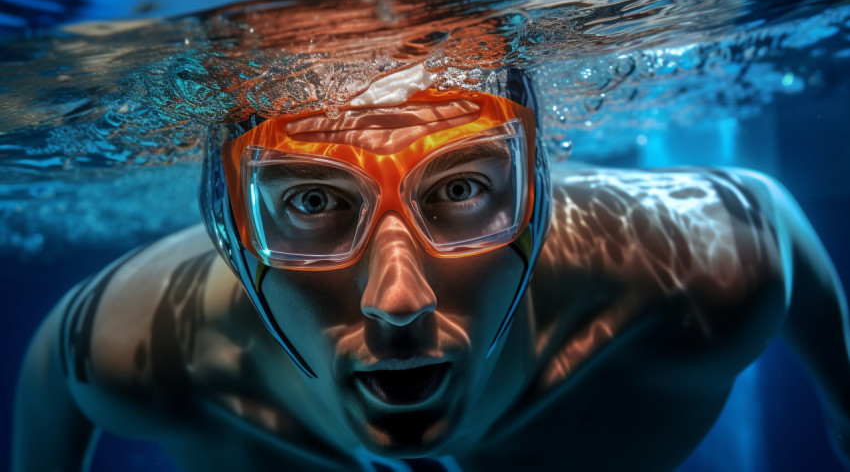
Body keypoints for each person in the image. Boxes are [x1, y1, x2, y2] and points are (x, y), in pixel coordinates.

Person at [13, 63, 850, 472]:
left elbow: (768, 217)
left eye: (459, 188)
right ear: (231, 230)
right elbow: (54, 366)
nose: (398, 300)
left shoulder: (701, 271)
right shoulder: (142, 345)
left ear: (536, 200)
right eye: (311, 202)